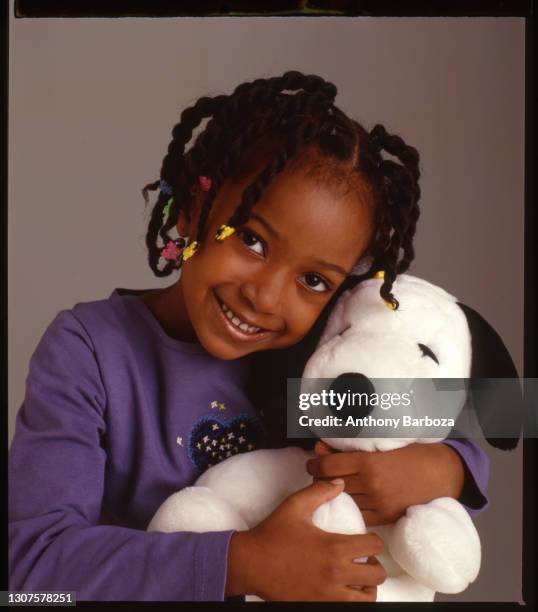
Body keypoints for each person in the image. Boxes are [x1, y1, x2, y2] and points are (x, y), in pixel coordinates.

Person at [9, 71, 489, 602]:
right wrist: (241, 563)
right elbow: (30, 576)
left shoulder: (320, 353)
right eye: (253, 240)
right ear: (193, 208)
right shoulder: (89, 349)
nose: (265, 297)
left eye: (313, 280)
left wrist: (449, 467)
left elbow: (502, 411)